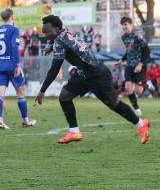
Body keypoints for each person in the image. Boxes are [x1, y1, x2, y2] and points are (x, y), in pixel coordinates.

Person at [36, 15, 149, 144]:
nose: (45, 35)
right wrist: (51, 45)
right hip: (84, 74)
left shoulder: (60, 41)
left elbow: (54, 69)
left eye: (48, 32)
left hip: (97, 75)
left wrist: (42, 91)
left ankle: (141, 124)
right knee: (65, 96)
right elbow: (63, 42)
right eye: (44, 32)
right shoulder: (64, 33)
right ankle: (74, 131)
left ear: (56, 28)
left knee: (114, 104)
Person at [0, 9, 34, 129]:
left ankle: (0, 119)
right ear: (12, 17)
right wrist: (18, 65)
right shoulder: (14, 29)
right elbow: (15, 46)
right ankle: (25, 120)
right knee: (20, 92)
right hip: (12, 65)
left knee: (0, 94)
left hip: (0, 66)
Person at [113, 17, 150, 117]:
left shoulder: (137, 36)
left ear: (131, 25)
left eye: (126, 24)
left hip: (139, 65)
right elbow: (129, 51)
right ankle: (137, 109)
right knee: (128, 87)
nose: (124, 27)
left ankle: (146, 85)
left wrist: (141, 64)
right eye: (123, 25)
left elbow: (147, 50)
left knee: (139, 91)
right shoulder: (124, 37)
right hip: (129, 65)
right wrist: (121, 60)